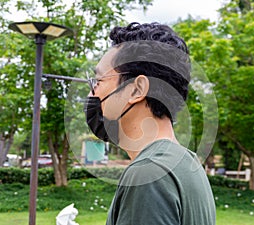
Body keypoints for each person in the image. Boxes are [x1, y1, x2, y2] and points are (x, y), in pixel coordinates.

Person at [84, 22, 216, 225]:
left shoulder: (148, 174)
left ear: (137, 89)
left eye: (98, 81)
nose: (92, 94)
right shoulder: (187, 163)